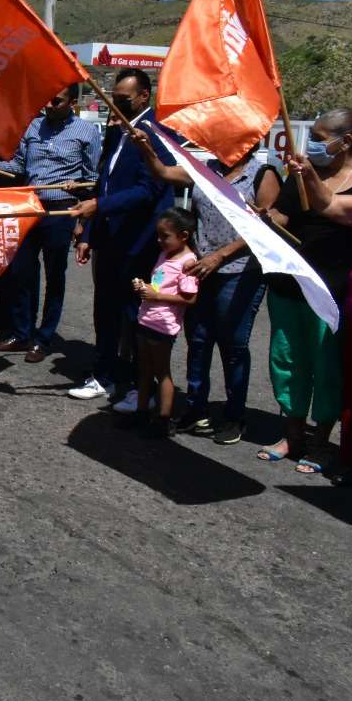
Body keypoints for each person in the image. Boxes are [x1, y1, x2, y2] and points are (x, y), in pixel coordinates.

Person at [128, 129, 280, 444]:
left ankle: (234, 416)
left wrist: (221, 256)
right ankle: (196, 409)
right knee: (198, 341)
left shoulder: (262, 175)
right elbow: (163, 172)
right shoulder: (207, 170)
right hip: (201, 270)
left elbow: (263, 226)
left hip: (238, 272)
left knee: (233, 345)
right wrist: (145, 148)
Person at [258, 110, 352, 472]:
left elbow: (333, 207)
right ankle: (292, 433)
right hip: (291, 283)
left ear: (345, 141)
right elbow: (285, 212)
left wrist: (311, 177)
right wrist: (265, 219)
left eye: (319, 136)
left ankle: (322, 441)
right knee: (287, 362)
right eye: (311, 134)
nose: (311, 142)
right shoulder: (303, 171)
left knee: (327, 366)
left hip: (336, 290)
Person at [0, 84, 99, 363]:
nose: (49, 104)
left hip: (61, 210)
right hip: (29, 205)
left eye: (57, 101)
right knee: (21, 272)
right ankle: (22, 332)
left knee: (55, 275)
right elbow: (19, 166)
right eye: (46, 100)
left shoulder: (87, 132)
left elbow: (93, 177)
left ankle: (44, 337)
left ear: (73, 103)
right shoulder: (33, 127)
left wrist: (80, 198)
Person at [68, 69, 176, 407]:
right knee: (105, 310)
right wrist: (88, 231)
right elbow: (105, 181)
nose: (115, 105)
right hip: (109, 238)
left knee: (132, 315)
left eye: (122, 100)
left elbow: (148, 190)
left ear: (144, 96)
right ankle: (104, 374)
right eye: (113, 99)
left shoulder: (156, 134)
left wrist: (99, 205)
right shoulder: (117, 133)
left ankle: (135, 384)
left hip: (138, 241)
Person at [130, 208, 199, 438]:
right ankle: (141, 412)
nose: (159, 240)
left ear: (184, 236)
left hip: (163, 325)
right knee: (143, 369)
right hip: (146, 317)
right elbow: (159, 285)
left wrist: (157, 296)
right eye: (158, 235)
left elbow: (190, 298)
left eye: (165, 236)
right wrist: (145, 288)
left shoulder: (188, 262)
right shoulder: (165, 254)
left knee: (161, 371)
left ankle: (163, 418)